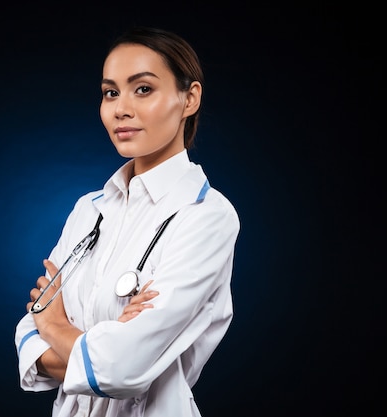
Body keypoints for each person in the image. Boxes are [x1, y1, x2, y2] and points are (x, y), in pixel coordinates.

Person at [14, 26, 240, 417]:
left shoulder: (207, 217)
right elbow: (26, 336)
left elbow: (123, 368)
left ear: (189, 98)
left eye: (143, 89)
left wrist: (54, 324)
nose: (120, 108)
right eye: (110, 92)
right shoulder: (90, 210)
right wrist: (99, 340)